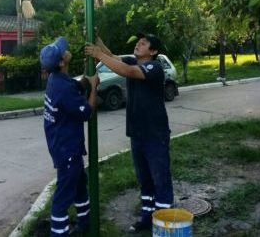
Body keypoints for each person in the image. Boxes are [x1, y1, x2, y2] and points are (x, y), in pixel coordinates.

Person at [85, 33, 173, 233]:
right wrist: (97, 38)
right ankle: (147, 218)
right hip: (137, 134)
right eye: (138, 42)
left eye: (143, 44)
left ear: (153, 51)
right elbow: (113, 57)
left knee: (161, 180)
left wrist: (99, 55)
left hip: (154, 135)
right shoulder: (133, 60)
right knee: (145, 180)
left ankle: (165, 225)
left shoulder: (154, 67)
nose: (138, 45)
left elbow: (129, 72)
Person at [40, 36, 99, 237]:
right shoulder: (62, 86)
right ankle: (59, 233)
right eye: (62, 51)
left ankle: (85, 222)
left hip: (64, 146)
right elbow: (86, 112)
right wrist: (94, 87)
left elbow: (76, 87)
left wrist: (86, 79)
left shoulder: (56, 79)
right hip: (67, 150)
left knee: (80, 184)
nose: (66, 50)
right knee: (62, 198)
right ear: (61, 62)